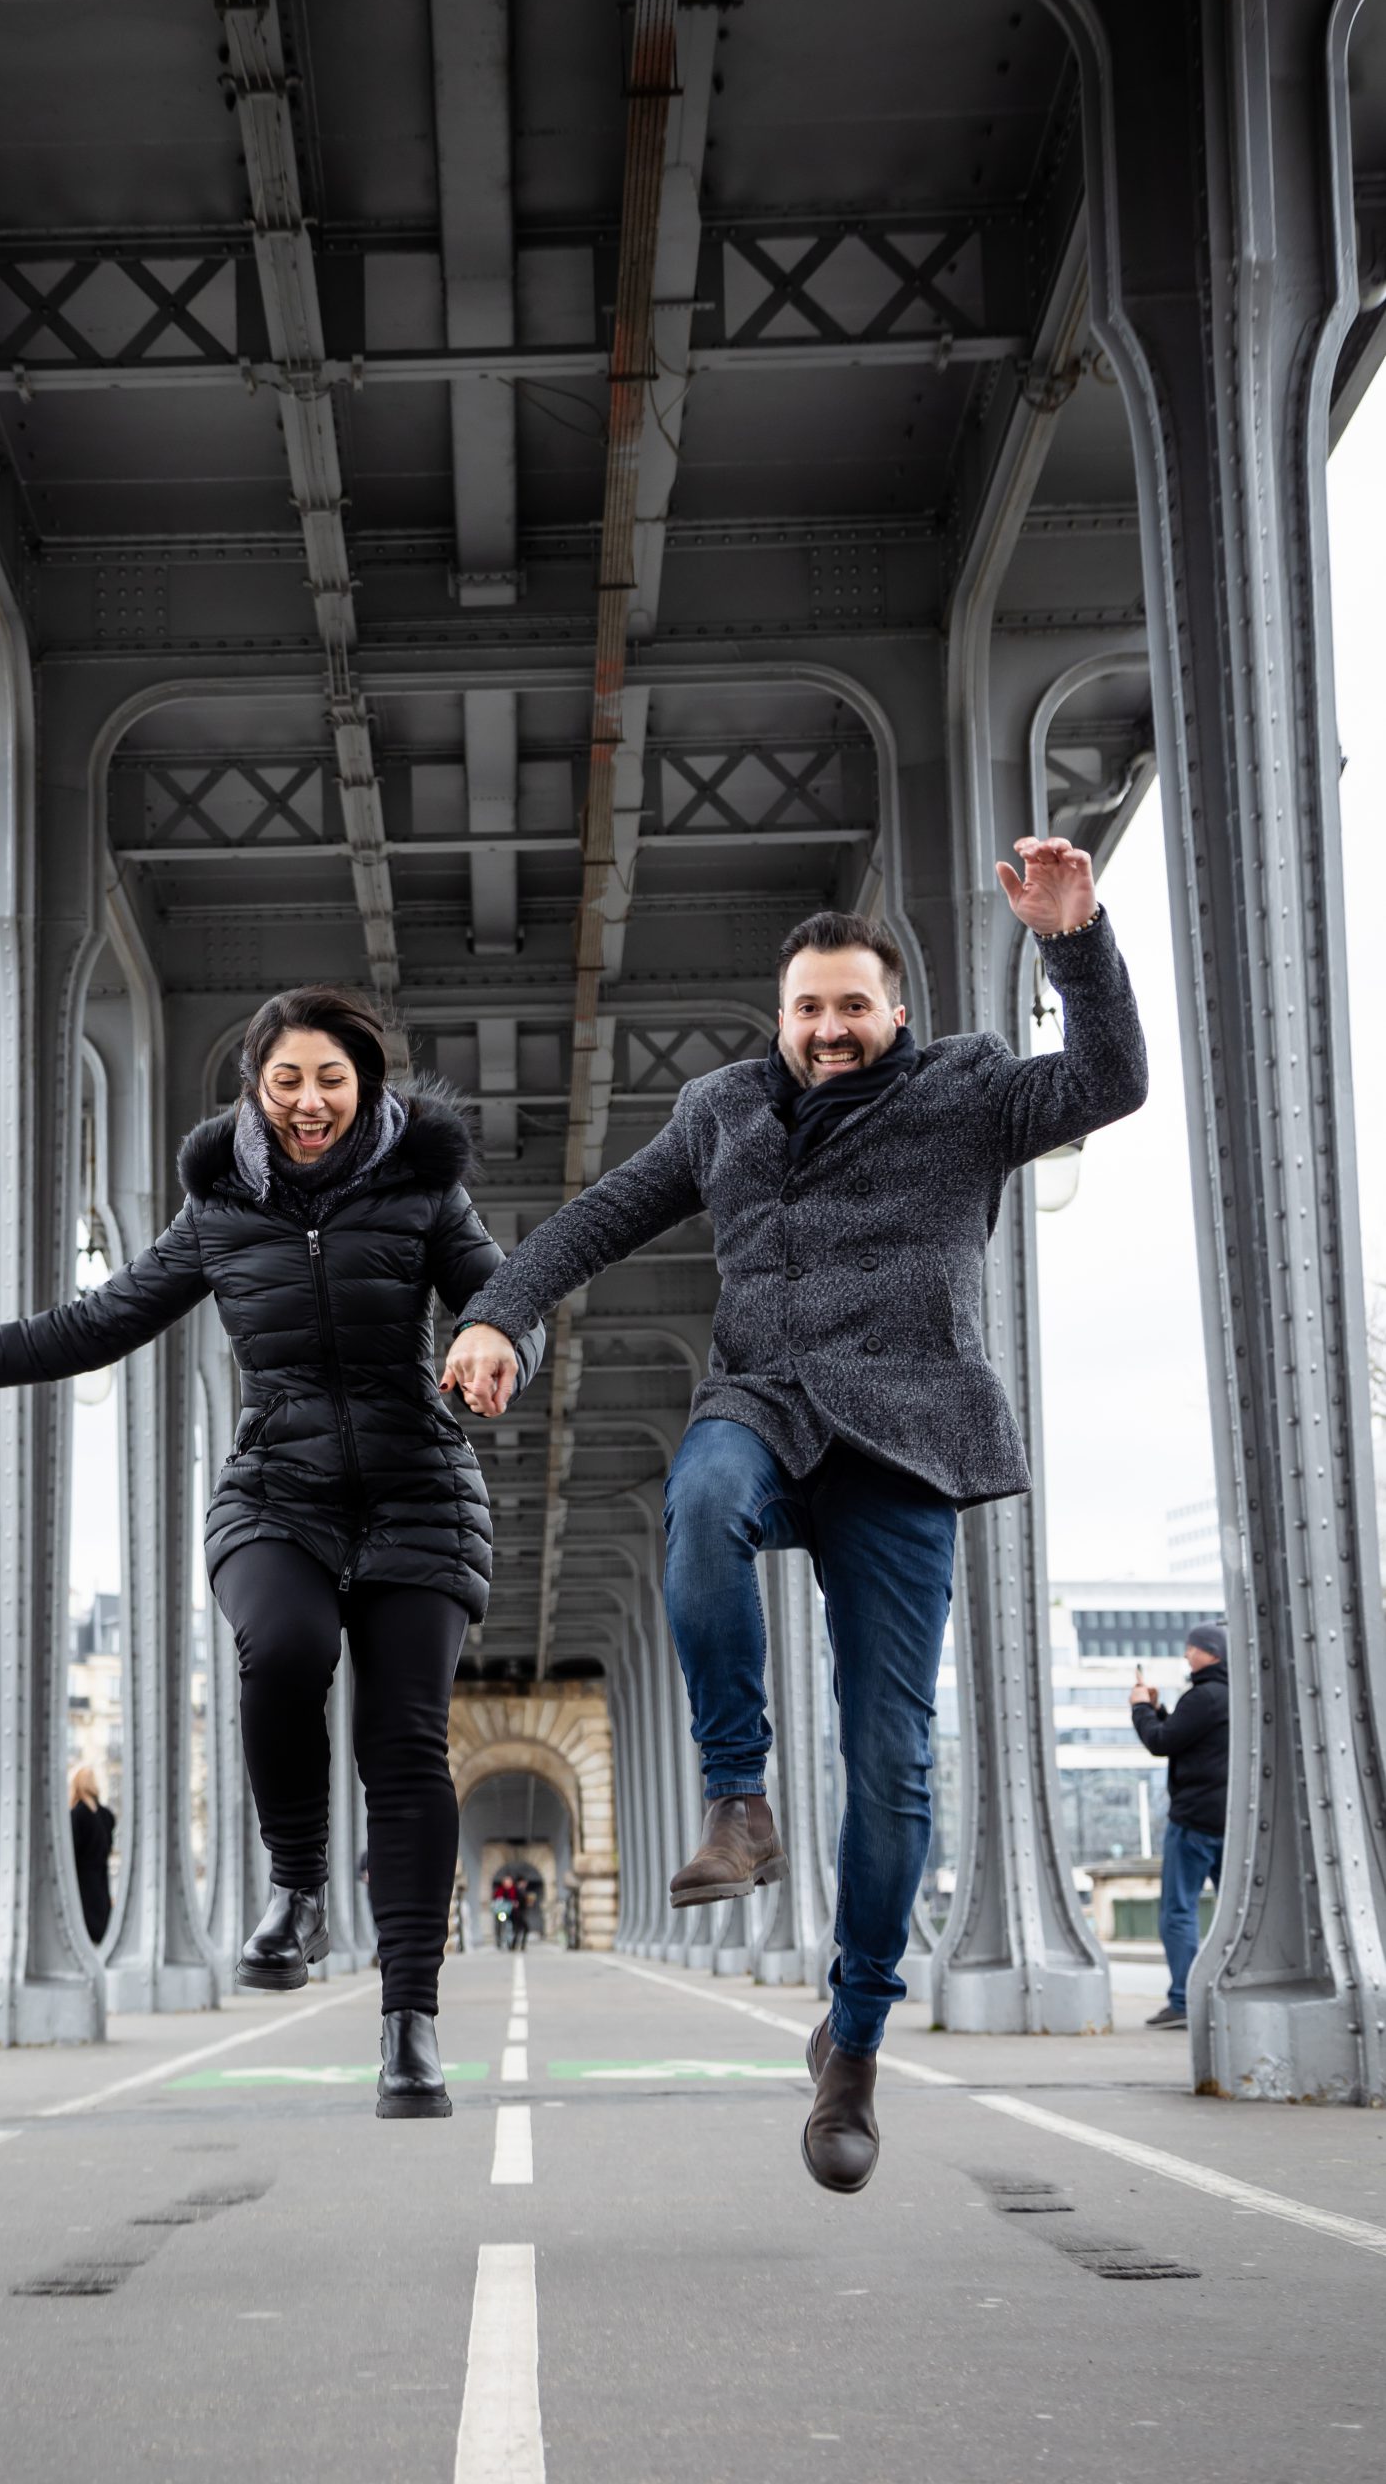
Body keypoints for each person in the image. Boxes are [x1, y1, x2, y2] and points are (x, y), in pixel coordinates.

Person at [444, 839, 1148, 2191]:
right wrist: (497, 1314)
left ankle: (854, 2040)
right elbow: (596, 1219)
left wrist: (1075, 939)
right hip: (761, 1402)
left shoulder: (966, 1089)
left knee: (891, 1762)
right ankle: (736, 1798)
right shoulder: (719, 1110)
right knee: (700, 1500)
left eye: (853, 1006)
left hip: (904, 1432)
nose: (830, 1028)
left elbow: (1108, 1079)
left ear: (895, 1011)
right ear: (780, 1016)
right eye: (808, 1008)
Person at [0, 984, 541, 2121]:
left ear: (365, 1085)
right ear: (255, 1086)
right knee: (281, 1648)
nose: (309, 1101)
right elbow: (99, 1320)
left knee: (402, 1745)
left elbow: (504, 1298)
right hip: (276, 1493)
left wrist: (499, 1345)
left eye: (331, 1079)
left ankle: (410, 2026)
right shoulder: (218, 1212)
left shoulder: (425, 1190)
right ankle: (297, 1886)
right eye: (287, 1080)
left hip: (417, 1495)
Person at [1130, 1623, 1229, 2030]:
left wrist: (1140, 1708)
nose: (1187, 1654)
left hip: (1193, 1822)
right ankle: (1227, 1995)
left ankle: (1184, 2000)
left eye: (1194, 1648)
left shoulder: (1202, 1696)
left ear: (1212, 1653)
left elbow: (1161, 1742)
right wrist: (1159, 1711)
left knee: (1178, 1911)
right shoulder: (1234, 1696)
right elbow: (1184, 1736)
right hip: (1230, 1822)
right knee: (1233, 1911)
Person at [68, 1763, 116, 1946]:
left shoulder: (77, 1814)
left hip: (82, 1880)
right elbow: (108, 1846)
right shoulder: (105, 1815)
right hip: (101, 1877)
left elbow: (73, 1850)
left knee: (86, 1926)